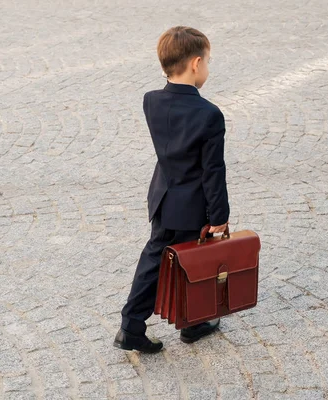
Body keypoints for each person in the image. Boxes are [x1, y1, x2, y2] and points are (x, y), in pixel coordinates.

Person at [113, 26, 230, 353]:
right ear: (195, 64)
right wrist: (219, 216)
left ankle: (135, 325)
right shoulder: (209, 115)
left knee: (155, 259)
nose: (207, 67)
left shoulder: (152, 101)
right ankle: (184, 325)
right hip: (191, 205)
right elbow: (213, 171)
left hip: (163, 197)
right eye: (207, 61)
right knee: (192, 262)